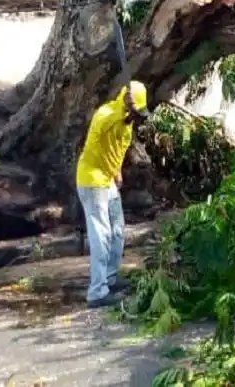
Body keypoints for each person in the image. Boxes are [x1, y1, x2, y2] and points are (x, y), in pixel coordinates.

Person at [76, 81, 150, 308]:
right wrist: (123, 108)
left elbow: (116, 148)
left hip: (108, 180)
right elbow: (105, 126)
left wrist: (117, 172)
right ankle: (97, 292)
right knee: (102, 235)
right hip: (91, 179)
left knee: (117, 231)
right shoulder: (106, 113)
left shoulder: (127, 125)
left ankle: (110, 277)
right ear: (127, 105)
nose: (139, 119)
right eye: (136, 113)